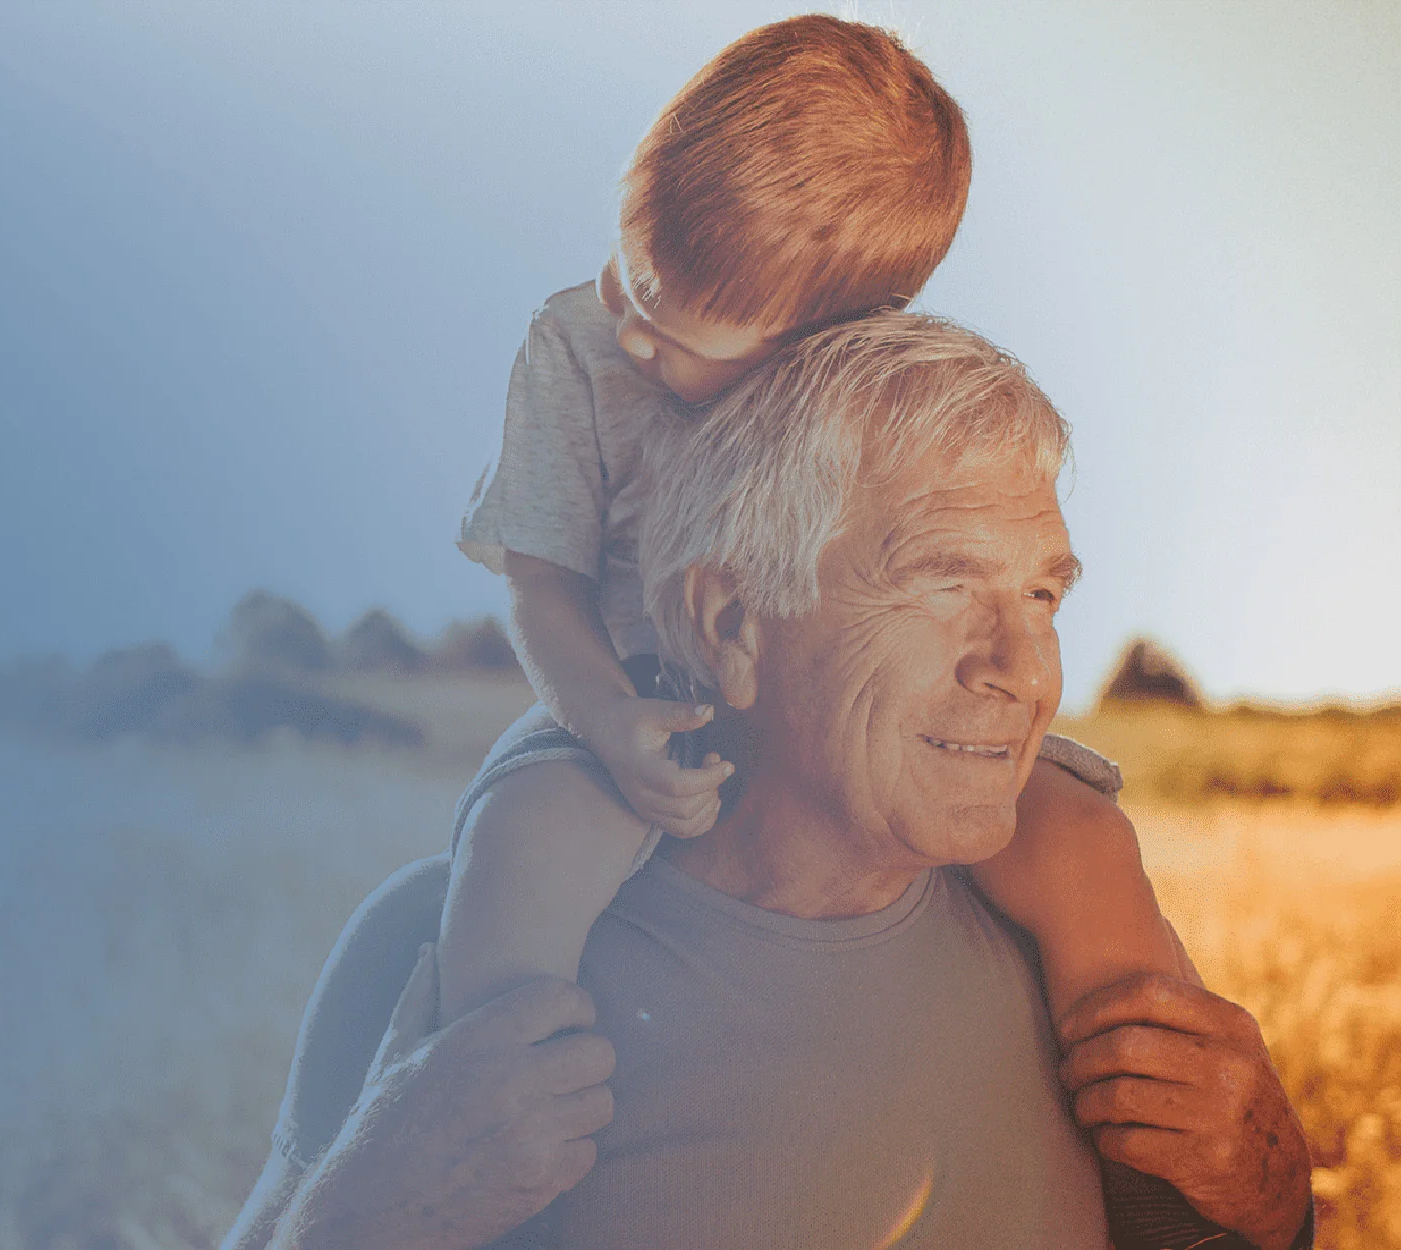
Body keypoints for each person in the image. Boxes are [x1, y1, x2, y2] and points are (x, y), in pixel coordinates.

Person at [226, 314, 1314, 1249]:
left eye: (1039, 595)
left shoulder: (1078, 945)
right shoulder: (439, 946)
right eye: (939, 585)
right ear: (731, 623)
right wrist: (361, 1211)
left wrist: (1272, 1190)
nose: (1021, 671)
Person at [439, 15, 1183, 1082]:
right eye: (627, 275)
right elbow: (537, 577)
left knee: (1077, 840)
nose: (631, 335)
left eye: (677, 332)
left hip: (830, 702)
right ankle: (472, 1103)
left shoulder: (857, 382)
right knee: (532, 834)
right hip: (629, 691)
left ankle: (1167, 1149)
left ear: (820, 330)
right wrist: (604, 719)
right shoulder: (571, 346)